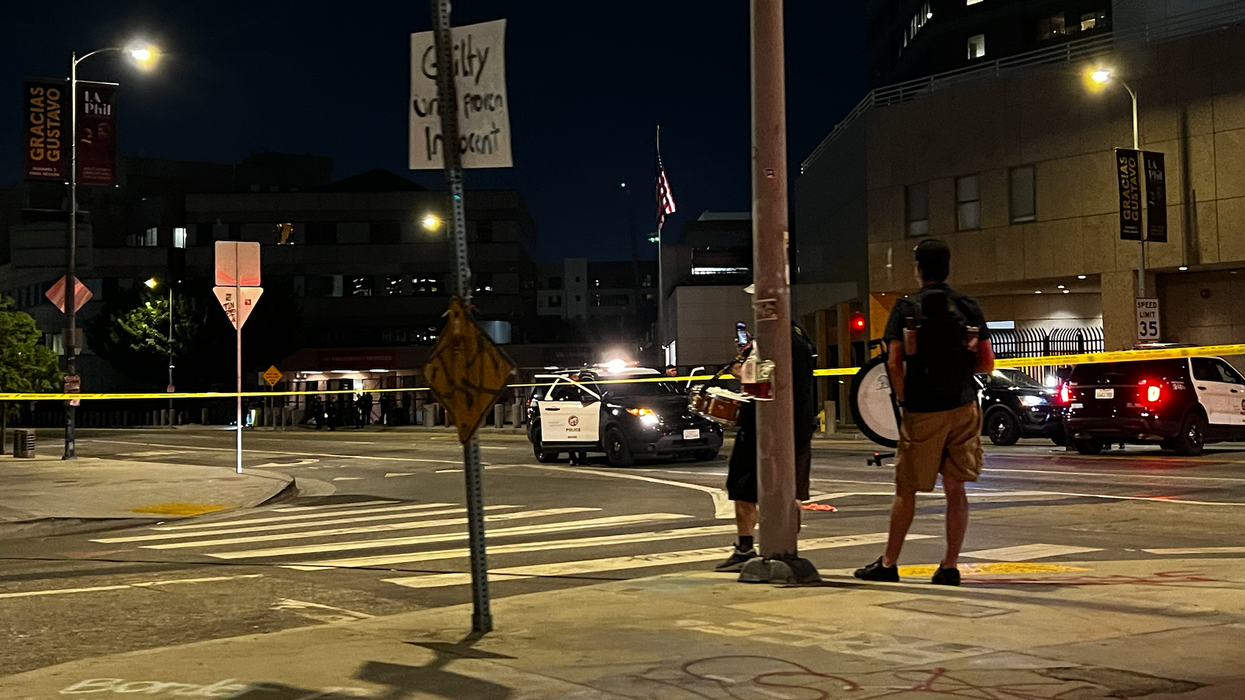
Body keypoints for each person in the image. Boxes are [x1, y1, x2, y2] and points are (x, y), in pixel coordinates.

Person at [854, 238, 993, 587]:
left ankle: (889, 563)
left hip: (922, 409)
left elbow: (894, 362)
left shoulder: (905, 309)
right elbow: (987, 363)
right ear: (948, 267)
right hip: (964, 407)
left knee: (906, 489)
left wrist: (903, 400)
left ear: (918, 269)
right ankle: (949, 566)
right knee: (956, 488)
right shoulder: (969, 307)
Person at [714, 323, 818, 572]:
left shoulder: (770, 342)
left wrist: (739, 372)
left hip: (762, 427)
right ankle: (787, 547)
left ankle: (744, 548)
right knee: (789, 490)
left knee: (742, 487)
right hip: (799, 426)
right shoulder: (801, 338)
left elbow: (757, 382)